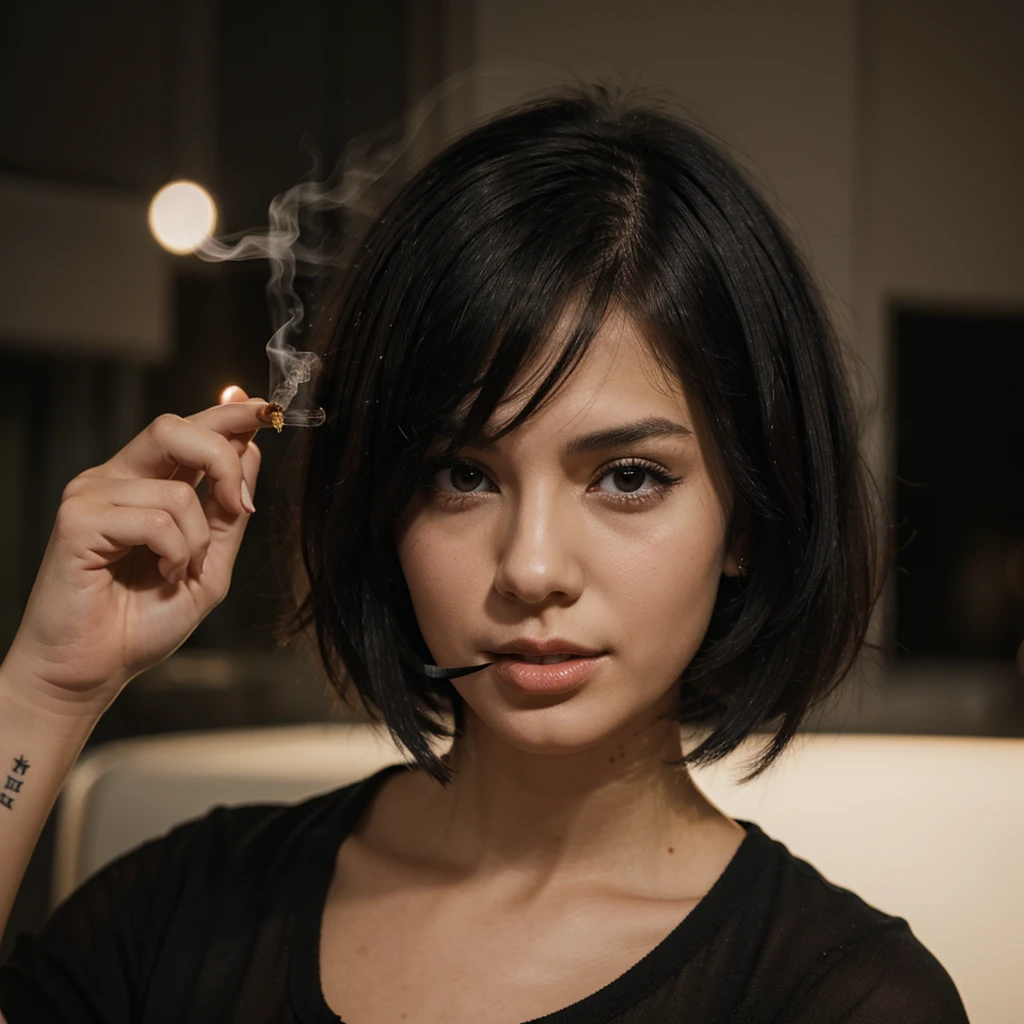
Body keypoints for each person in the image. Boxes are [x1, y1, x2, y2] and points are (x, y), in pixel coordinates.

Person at [0, 84, 969, 1023]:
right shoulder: (180, 916)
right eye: (463, 475)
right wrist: (45, 690)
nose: (533, 568)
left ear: (747, 519)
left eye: (627, 476)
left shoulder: (845, 998)